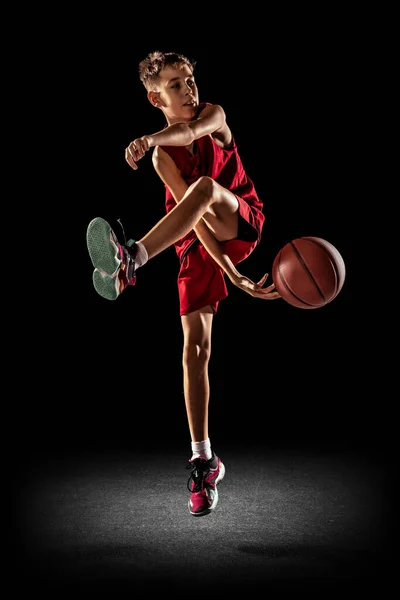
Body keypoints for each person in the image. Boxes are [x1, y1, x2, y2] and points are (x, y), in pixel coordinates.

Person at [86, 50, 281, 517]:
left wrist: (150, 137)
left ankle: (133, 255)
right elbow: (193, 225)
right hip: (200, 240)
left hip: (241, 217)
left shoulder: (214, 116)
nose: (190, 89)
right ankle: (203, 459)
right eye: (177, 85)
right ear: (156, 97)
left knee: (205, 189)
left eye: (190, 79)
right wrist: (229, 272)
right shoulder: (161, 161)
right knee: (195, 350)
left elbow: (192, 139)